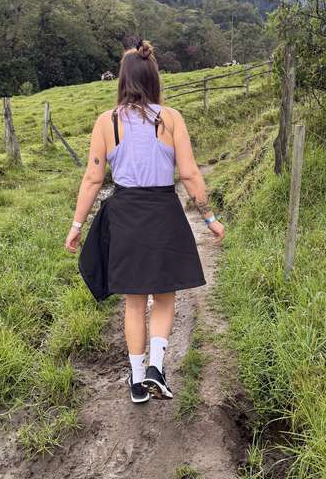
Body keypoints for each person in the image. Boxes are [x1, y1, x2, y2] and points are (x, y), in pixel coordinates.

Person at [65, 40, 225, 404]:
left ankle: (137, 382)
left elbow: (92, 179)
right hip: (163, 213)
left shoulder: (106, 122)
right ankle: (156, 366)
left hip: (124, 216)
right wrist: (210, 218)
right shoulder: (171, 119)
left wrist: (76, 226)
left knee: (134, 302)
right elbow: (189, 174)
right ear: (154, 79)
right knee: (164, 295)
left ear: (122, 81)